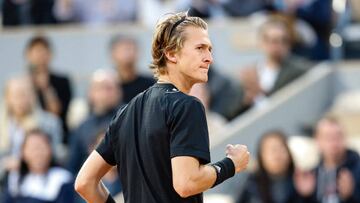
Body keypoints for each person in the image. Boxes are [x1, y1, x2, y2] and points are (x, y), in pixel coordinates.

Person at [74, 12, 250, 203]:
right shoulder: (186, 105)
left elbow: (85, 183)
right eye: (200, 48)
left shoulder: (125, 112)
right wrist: (231, 164)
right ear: (171, 54)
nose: (209, 58)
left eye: (209, 49)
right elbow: (187, 183)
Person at [238, 17, 310, 112]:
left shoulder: (298, 69)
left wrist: (261, 92)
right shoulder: (252, 71)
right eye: (274, 41)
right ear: (262, 43)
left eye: (284, 41)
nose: (279, 46)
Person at [0, 76, 63, 182]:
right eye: (16, 95)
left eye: (24, 94)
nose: (20, 100)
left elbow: (56, 155)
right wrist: (4, 165)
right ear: (7, 98)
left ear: (33, 96)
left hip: (38, 180)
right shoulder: (3, 125)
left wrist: (25, 162)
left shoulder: (50, 123)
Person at [67, 69, 122, 175]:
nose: (104, 94)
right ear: (90, 93)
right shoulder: (82, 127)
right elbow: (73, 165)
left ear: (118, 91)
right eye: (99, 88)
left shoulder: (129, 117)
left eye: (109, 88)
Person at [294, 116, 360, 203]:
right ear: (317, 141)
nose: (334, 142)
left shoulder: (357, 169)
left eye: (338, 136)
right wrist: (305, 196)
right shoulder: (312, 175)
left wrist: (351, 195)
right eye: (328, 137)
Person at [2, 129, 74, 203]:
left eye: (41, 147)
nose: (38, 153)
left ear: (50, 150)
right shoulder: (15, 181)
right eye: (33, 148)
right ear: (23, 153)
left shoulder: (62, 179)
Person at [25, 35, 72, 141]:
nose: (39, 56)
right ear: (28, 55)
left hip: (57, 134)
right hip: (28, 135)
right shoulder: (23, 83)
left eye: (43, 51)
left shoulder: (62, 81)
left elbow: (56, 113)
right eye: (36, 52)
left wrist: (46, 88)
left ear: (50, 54)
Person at [236, 130, 301, 203]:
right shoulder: (250, 185)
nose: (277, 154)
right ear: (261, 156)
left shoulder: (301, 178)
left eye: (281, 148)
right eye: (272, 150)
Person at [109, 35, 155, 103]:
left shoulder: (151, 85)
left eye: (131, 49)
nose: (128, 53)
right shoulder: (107, 86)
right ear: (113, 54)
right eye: (123, 50)